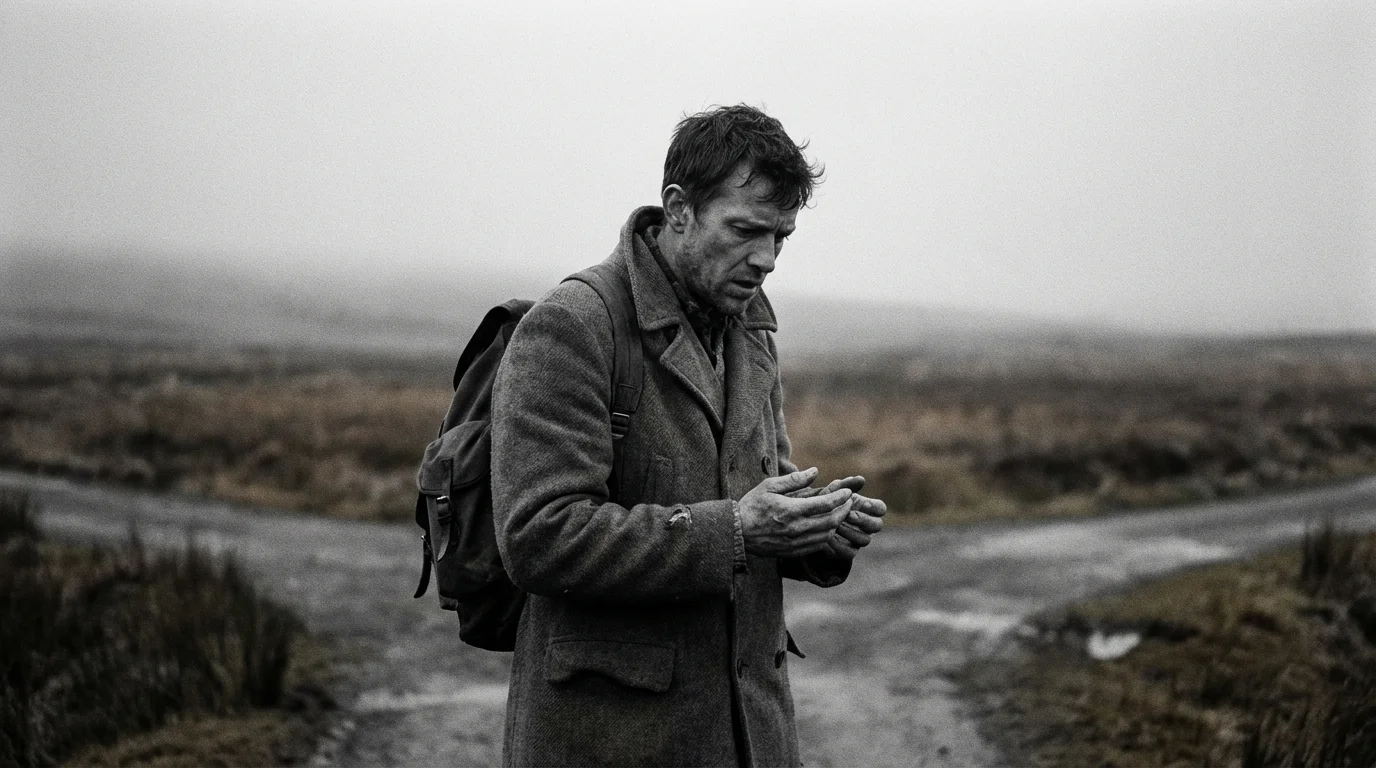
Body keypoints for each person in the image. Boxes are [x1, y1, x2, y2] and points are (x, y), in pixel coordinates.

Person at [490, 104, 887, 767]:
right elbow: (539, 537)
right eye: (745, 230)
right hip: (614, 741)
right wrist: (735, 530)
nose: (766, 259)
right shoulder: (575, 324)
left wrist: (814, 532)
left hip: (748, 737)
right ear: (678, 209)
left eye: (781, 236)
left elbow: (759, 495)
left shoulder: (751, 329)